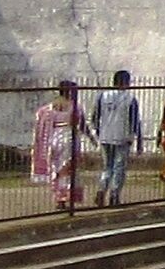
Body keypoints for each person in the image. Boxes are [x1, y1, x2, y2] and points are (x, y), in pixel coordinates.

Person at [90, 70, 146, 207]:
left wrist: (98, 132)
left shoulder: (102, 96)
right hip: (122, 137)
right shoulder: (130, 98)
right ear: (126, 83)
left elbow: (94, 117)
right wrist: (138, 139)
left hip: (105, 136)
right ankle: (114, 194)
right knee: (119, 167)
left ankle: (102, 189)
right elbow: (134, 121)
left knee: (107, 167)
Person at [32, 80, 82, 216]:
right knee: (68, 169)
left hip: (53, 138)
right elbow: (79, 123)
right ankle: (67, 196)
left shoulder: (50, 107)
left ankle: (59, 198)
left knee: (55, 168)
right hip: (68, 137)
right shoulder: (74, 106)